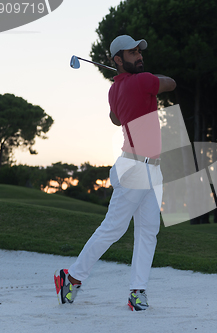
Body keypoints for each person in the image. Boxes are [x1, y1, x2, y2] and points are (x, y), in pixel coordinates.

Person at [54, 35, 176, 311]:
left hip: (149, 167)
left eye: (139, 51)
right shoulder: (144, 81)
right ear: (117, 60)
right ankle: (71, 278)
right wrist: (141, 80)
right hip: (135, 167)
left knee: (148, 232)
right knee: (113, 228)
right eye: (132, 53)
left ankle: (137, 291)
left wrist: (126, 83)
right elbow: (170, 82)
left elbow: (115, 118)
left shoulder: (115, 89)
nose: (139, 56)